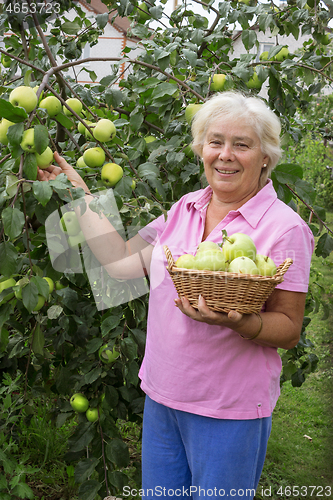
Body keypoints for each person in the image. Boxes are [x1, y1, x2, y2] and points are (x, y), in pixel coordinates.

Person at [38, 91, 314, 499]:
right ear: (201, 149)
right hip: (164, 396)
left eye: (242, 144)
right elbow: (121, 262)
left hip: (228, 408)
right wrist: (80, 196)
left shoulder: (284, 228)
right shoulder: (185, 208)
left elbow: (289, 329)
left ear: (266, 157)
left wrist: (241, 322)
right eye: (215, 141)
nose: (225, 155)